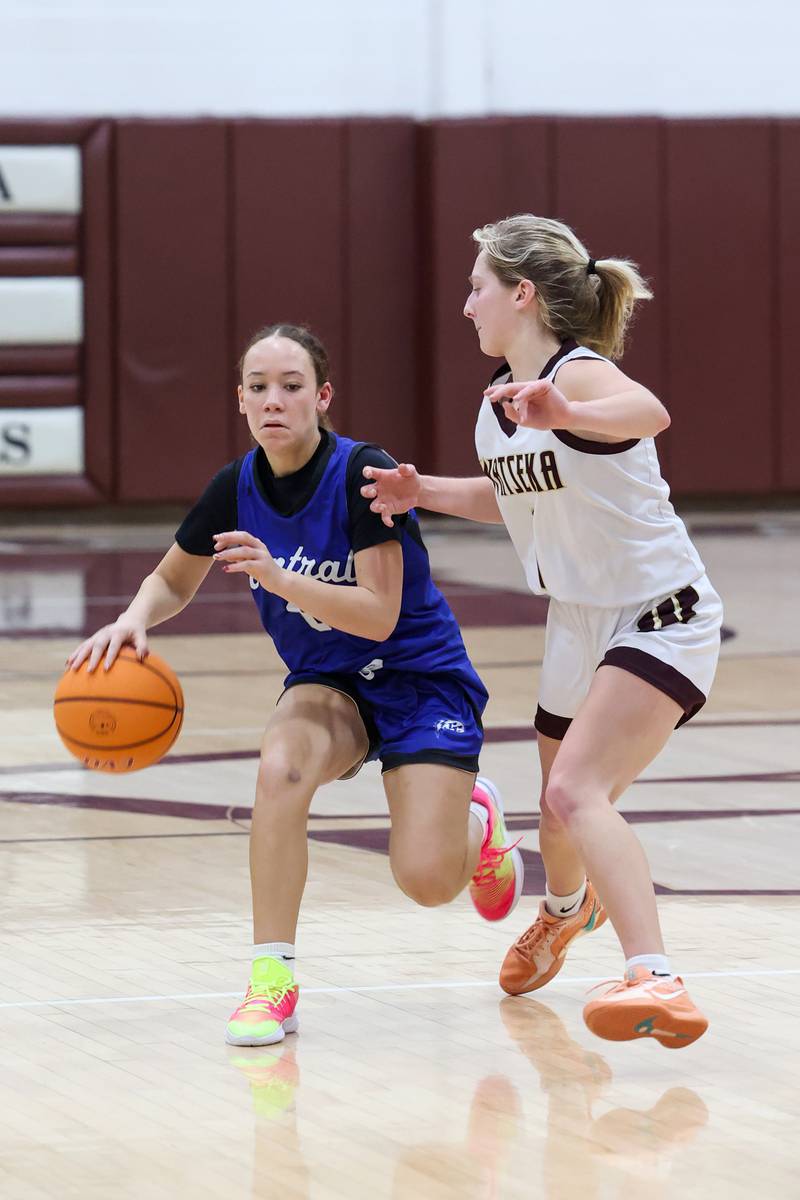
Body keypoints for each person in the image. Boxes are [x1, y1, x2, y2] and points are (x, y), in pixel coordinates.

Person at [67, 323, 525, 1046]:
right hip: (329, 682)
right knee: (278, 769)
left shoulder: (361, 474)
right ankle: (270, 978)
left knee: (429, 882)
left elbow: (378, 617)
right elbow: (172, 578)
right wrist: (134, 619)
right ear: (240, 400)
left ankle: (480, 823)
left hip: (419, 678)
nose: (273, 401)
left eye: (290, 386)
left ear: (323, 396)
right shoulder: (235, 487)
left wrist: (280, 578)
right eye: (258, 388)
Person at [361, 215, 722, 1048]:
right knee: (556, 812)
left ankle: (656, 977)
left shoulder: (580, 372)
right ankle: (566, 912)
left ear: (522, 295)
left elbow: (650, 411)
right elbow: (513, 496)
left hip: (657, 610)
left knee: (575, 794)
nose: (466, 306)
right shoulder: (497, 408)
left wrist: (564, 407)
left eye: (477, 287)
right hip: (579, 619)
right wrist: (425, 491)